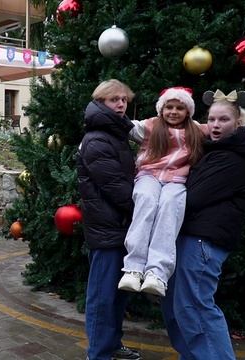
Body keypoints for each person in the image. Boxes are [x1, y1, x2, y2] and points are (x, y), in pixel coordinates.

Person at [161, 90, 245, 359]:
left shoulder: (234, 158)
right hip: (191, 238)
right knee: (176, 307)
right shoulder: (215, 150)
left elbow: (192, 196)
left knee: (195, 307)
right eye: (212, 119)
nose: (216, 126)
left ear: (238, 124)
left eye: (224, 120)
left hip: (203, 242)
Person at [118, 87, 206, 297]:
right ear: (161, 109)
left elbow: (223, 128)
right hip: (149, 176)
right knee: (146, 201)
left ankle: (157, 273)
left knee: (170, 208)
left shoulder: (195, 130)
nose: (173, 112)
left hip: (176, 180)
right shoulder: (151, 125)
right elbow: (124, 125)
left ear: (188, 111)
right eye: (169, 107)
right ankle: (133, 268)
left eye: (179, 108)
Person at [77, 79, 141, 360]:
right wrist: (146, 209)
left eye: (124, 100)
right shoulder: (97, 140)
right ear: (100, 102)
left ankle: (112, 346)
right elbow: (116, 186)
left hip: (120, 227)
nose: (120, 104)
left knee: (117, 296)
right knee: (102, 298)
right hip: (107, 230)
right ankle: (99, 354)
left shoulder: (115, 135)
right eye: (114, 99)